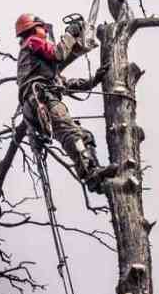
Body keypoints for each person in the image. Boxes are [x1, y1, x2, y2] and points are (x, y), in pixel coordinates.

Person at [15, 13, 115, 193]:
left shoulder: (39, 66)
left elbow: (64, 84)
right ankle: (90, 173)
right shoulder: (32, 42)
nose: (45, 33)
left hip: (40, 102)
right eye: (42, 29)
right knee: (71, 134)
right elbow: (59, 53)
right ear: (33, 29)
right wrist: (70, 33)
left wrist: (94, 80)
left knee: (85, 136)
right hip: (42, 100)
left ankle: (96, 174)